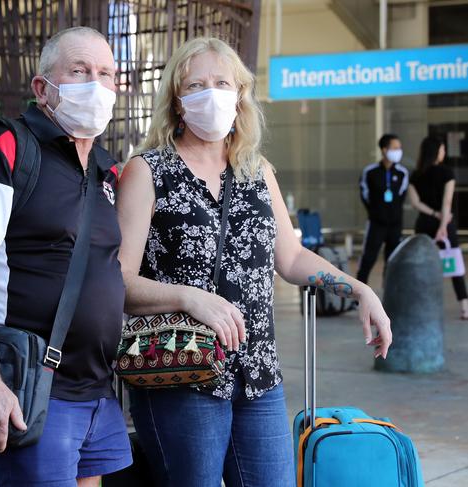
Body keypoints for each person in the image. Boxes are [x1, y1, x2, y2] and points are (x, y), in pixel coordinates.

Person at [116, 37, 392, 487]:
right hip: (180, 370)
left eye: (222, 82)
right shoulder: (147, 171)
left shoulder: (256, 170)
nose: (211, 93)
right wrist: (191, 299)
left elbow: (291, 256)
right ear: (178, 102)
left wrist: (359, 288)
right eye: (196, 85)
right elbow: (119, 280)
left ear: (240, 94)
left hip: (257, 372)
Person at [0, 26, 132, 487]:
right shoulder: (6, 149)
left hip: (98, 395)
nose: (95, 83)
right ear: (43, 87)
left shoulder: (107, 169)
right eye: (80, 70)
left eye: (105, 73)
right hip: (31, 390)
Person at [409, 135, 468, 319]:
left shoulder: (416, 175)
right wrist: (442, 224)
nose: (443, 152)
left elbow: (415, 203)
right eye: (442, 149)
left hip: (424, 223)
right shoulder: (447, 173)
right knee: (455, 265)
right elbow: (447, 202)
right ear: (437, 152)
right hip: (445, 223)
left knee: (421, 264)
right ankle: (465, 307)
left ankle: (420, 306)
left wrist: (433, 214)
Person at [357, 134, 410, 285]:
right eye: (395, 148)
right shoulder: (370, 172)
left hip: (395, 224)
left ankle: (389, 291)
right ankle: (359, 292)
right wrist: (376, 212)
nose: (398, 151)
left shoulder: (402, 173)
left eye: (399, 148)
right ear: (384, 149)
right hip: (376, 223)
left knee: (392, 260)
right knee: (368, 258)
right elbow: (365, 195)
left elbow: (401, 195)